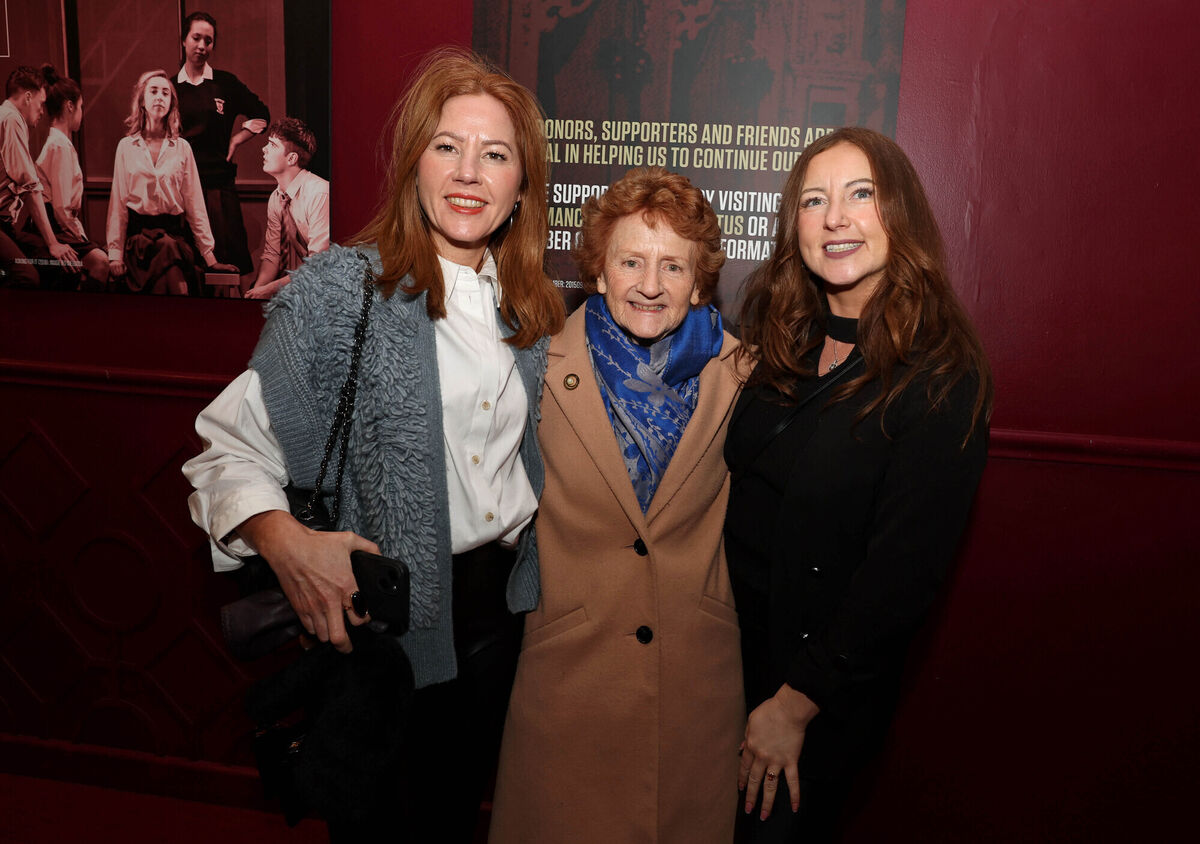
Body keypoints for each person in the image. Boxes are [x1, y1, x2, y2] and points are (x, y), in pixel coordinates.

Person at [182, 47, 563, 841]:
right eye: (446, 146)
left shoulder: (535, 314)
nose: (469, 172)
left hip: (503, 621)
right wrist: (285, 542)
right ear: (413, 163)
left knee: (458, 817)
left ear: (522, 187)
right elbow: (226, 450)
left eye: (496, 155)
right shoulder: (341, 289)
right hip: (385, 630)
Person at [725, 127, 992, 842]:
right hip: (722, 670)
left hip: (808, 702)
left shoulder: (939, 377)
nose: (835, 218)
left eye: (860, 194)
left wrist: (794, 705)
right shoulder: (782, 343)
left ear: (898, 213)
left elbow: (900, 579)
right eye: (813, 201)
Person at [489, 166, 746, 843]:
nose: (651, 285)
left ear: (700, 282)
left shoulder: (744, 375)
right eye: (631, 261)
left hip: (694, 680)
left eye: (673, 266)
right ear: (599, 271)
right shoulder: (535, 365)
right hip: (570, 675)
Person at [106, 69, 237, 294]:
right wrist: (115, 256)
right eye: (154, 91)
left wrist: (209, 257)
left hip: (174, 239)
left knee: (170, 255)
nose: (159, 97)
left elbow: (195, 204)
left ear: (171, 103)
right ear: (142, 101)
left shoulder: (182, 148)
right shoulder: (126, 147)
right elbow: (118, 205)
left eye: (165, 93)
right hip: (139, 244)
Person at [176, 10, 269, 277]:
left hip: (219, 187)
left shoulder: (224, 83)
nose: (202, 46)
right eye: (196, 38)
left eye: (209, 40)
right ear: (184, 40)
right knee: (191, 270)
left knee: (228, 266)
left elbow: (262, 114)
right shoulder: (171, 87)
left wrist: (238, 139)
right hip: (183, 191)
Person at [0, 65, 76, 288]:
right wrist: (53, 243)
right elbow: (30, 185)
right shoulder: (11, 118)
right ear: (27, 97)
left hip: (6, 226)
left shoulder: (8, 117)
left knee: (53, 264)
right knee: (26, 276)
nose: (42, 111)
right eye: (40, 104)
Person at [36, 64, 109, 291]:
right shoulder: (58, 145)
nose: (81, 113)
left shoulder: (60, 143)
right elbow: (61, 208)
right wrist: (79, 237)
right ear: (70, 106)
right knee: (101, 263)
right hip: (53, 224)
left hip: (58, 222)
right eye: (80, 107)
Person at [245, 116, 329, 299]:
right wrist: (256, 292)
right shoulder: (277, 198)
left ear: (291, 158)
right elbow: (272, 255)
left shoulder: (319, 193)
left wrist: (268, 290)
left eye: (272, 145)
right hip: (306, 284)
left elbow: (319, 265)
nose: (264, 149)